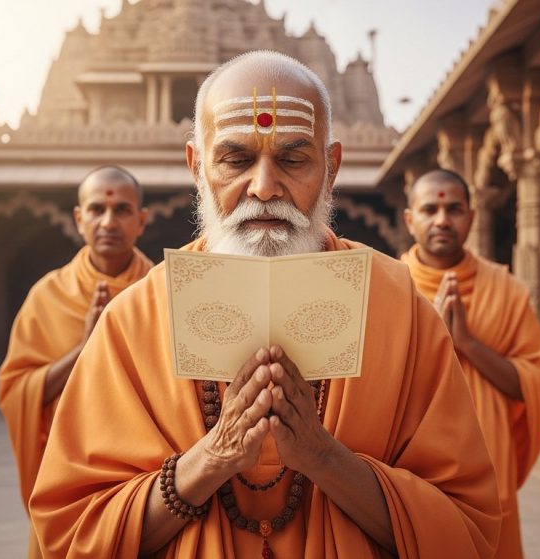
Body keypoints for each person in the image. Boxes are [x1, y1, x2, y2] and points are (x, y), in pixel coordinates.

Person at [28, 50, 502, 558]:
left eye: (294, 159)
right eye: (235, 159)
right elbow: (73, 533)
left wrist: (322, 457)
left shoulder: (398, 307)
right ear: (197, 166)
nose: (264, 187)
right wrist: (214, 457)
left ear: (332, 166)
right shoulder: (135, 317)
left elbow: (464, 530)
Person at [400, 169, 540, 559]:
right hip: (411, 467)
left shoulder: (505, 290)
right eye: (430, 209)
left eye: (454, 209)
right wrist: (434, 341)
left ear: (471, 217)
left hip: (489, 466)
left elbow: (535, 383)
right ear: (410, 219)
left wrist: (467, 344)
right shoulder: (387, 285)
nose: (442, 220)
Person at [0, 165, 153, 558]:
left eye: (121, 211)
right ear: (78, 219)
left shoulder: (162, 291)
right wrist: (85, 348)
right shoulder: (48, 295)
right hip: (67, 473)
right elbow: (18, 391)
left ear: (141, 221)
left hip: (146, 478)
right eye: (97, 209)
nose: (108, 221)